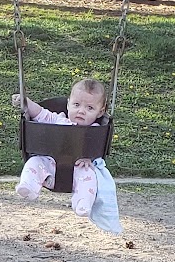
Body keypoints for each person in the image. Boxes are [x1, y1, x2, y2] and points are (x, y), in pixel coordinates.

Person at [12, 77, 109, 218]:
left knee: (89, 176)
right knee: (34, 162)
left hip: (78, 170)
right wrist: (25, 102)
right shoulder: (58, 119)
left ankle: (82, 202)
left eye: (89, 108)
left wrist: (89, 158)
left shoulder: (96, 130)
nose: (81, 111)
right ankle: (29, 186)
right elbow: (39, 113)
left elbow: (98, 149)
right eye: (76, 104)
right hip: (49, 168)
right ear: (68, 104)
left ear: (100, 112)